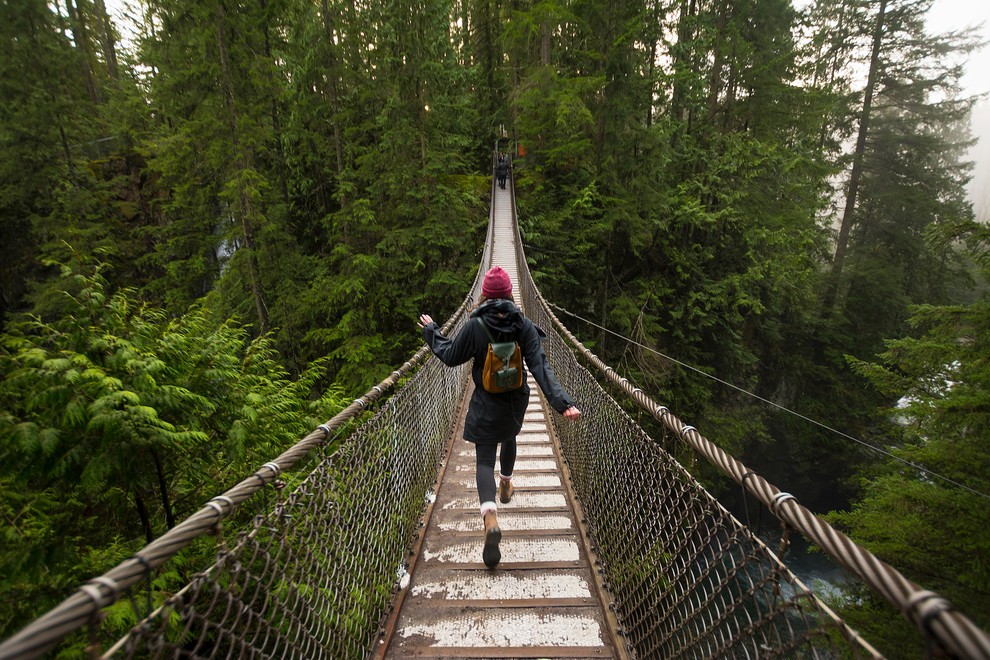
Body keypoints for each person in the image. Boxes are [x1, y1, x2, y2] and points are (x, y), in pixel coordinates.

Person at [417, 266, 581, 568]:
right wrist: (563, 403)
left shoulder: (475, 325)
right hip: (515, 401)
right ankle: (506, 483)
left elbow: (451, 356)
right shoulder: (524, 324)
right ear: (509, 294)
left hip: (485, 401)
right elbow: (540, 367)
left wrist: (432, 332)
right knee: (510, 435)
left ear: (485, 295)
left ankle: (490, 516)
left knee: (482, 461)